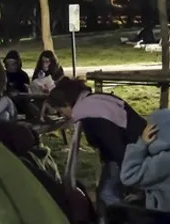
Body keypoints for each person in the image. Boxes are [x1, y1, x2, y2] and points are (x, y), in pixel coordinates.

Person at [47, 77, 147, 209]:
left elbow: (116, 148)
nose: (62, 115)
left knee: (107, 194)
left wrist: (135, 184)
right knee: (105, 188)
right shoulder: (94, 100)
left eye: (60, 111)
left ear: (66, 103)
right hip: (135, 145)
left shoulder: (91, 116)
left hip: (133, 151)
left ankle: (124, 221)